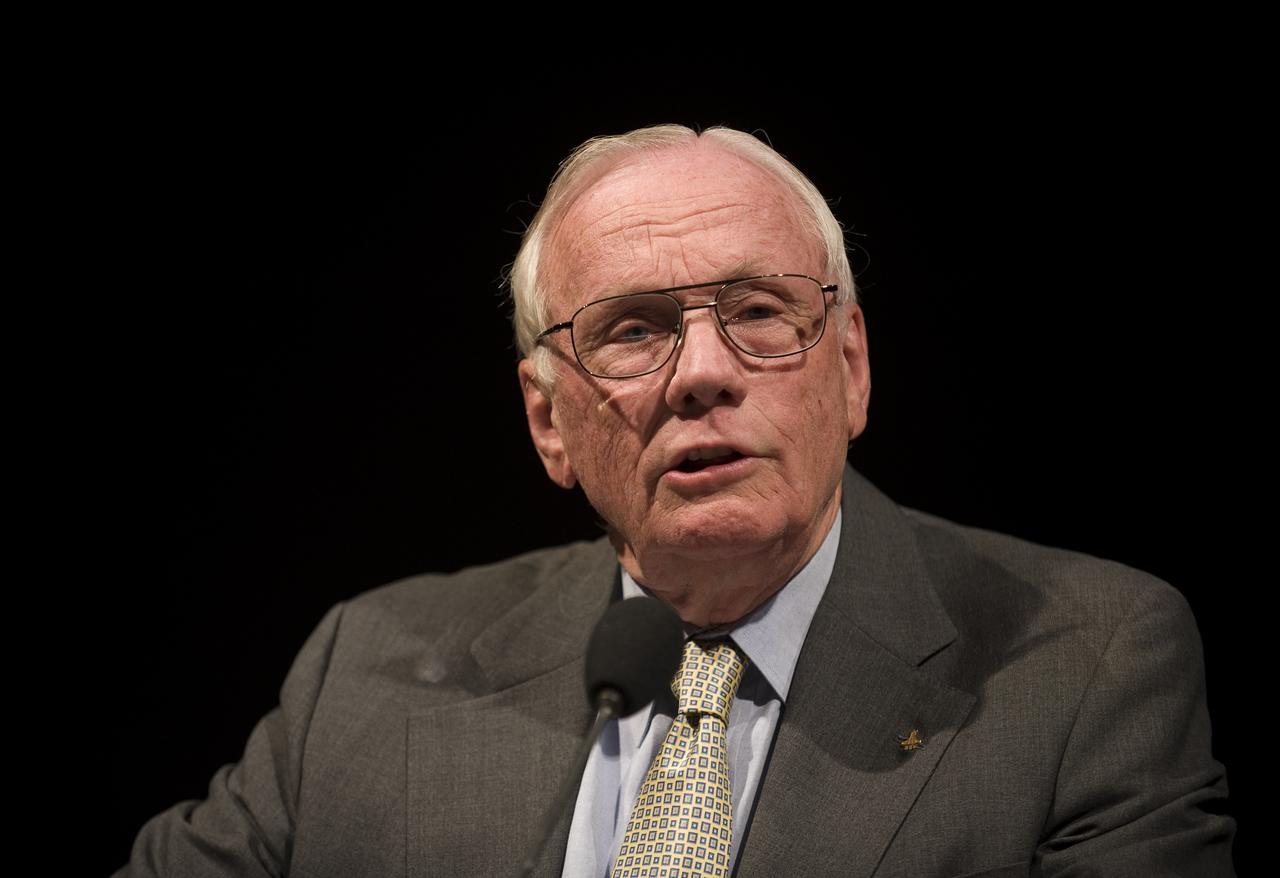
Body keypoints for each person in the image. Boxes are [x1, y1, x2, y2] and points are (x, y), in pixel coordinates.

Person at [117, 125, 1235, 877]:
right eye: (633, 329)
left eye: (756, 308)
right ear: (548, 421)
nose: (701, 370)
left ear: (848, 366)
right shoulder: (363, 674)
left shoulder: (1085, 664)